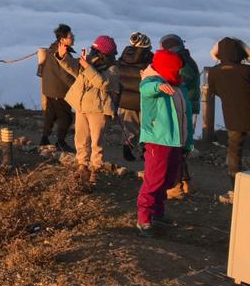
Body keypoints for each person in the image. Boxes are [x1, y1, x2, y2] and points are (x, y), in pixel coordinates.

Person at [137, 49, 193, 235]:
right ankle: (144, 219)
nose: (179, 73)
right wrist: (158, 87)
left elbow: (185, 115)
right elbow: (145, 89)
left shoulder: (179, 86)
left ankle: (157, 212)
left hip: (176, 142)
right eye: (176, 69)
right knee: (154, 180)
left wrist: (187, 141)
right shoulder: (152, 82)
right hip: (157, 140)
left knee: (168, 180)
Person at [59, 35, 120, 186]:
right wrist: (63, 57)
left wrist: (87, 67)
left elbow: (103, 83)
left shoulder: (113, 68)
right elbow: (76, 71)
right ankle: (82, 166)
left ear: (103, 53)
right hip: (82, 106)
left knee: (96, 141)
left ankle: (95, 169)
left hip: (98, 109)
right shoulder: (91, 62)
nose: (92, 52)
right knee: (81, 139)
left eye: (95, 50)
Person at [207, 38, 250, 204]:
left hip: (233, 117)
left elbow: (213, 91)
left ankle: (235, 190)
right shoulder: (246, 70)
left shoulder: (215, 71)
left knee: (234, 154)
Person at [159, 34, 200, 197]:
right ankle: (185, 182)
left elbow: (178, 80)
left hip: (182, 107)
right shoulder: (187, 60)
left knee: (176, 147)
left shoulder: (182, 63)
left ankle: (176, 185)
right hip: (185, 106)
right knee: (179, 147)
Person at [38, 24, 76, 150]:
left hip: (49, 89)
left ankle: (44, 138)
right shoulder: (62, 54)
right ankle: (60, 142)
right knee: (66, 117)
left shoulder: (51, 49)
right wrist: (78, 86)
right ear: (62, 40)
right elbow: (65, 75)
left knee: (50, 114)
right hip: (59, 91)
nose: (73, 38)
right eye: (70, 36)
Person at [116, 32, 153, 161]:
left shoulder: (123, 58)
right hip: (145, 98)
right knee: (147, 126)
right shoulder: (149, 60)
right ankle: (145, 152)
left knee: (129, 126)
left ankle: (127, 148)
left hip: (125, 98)